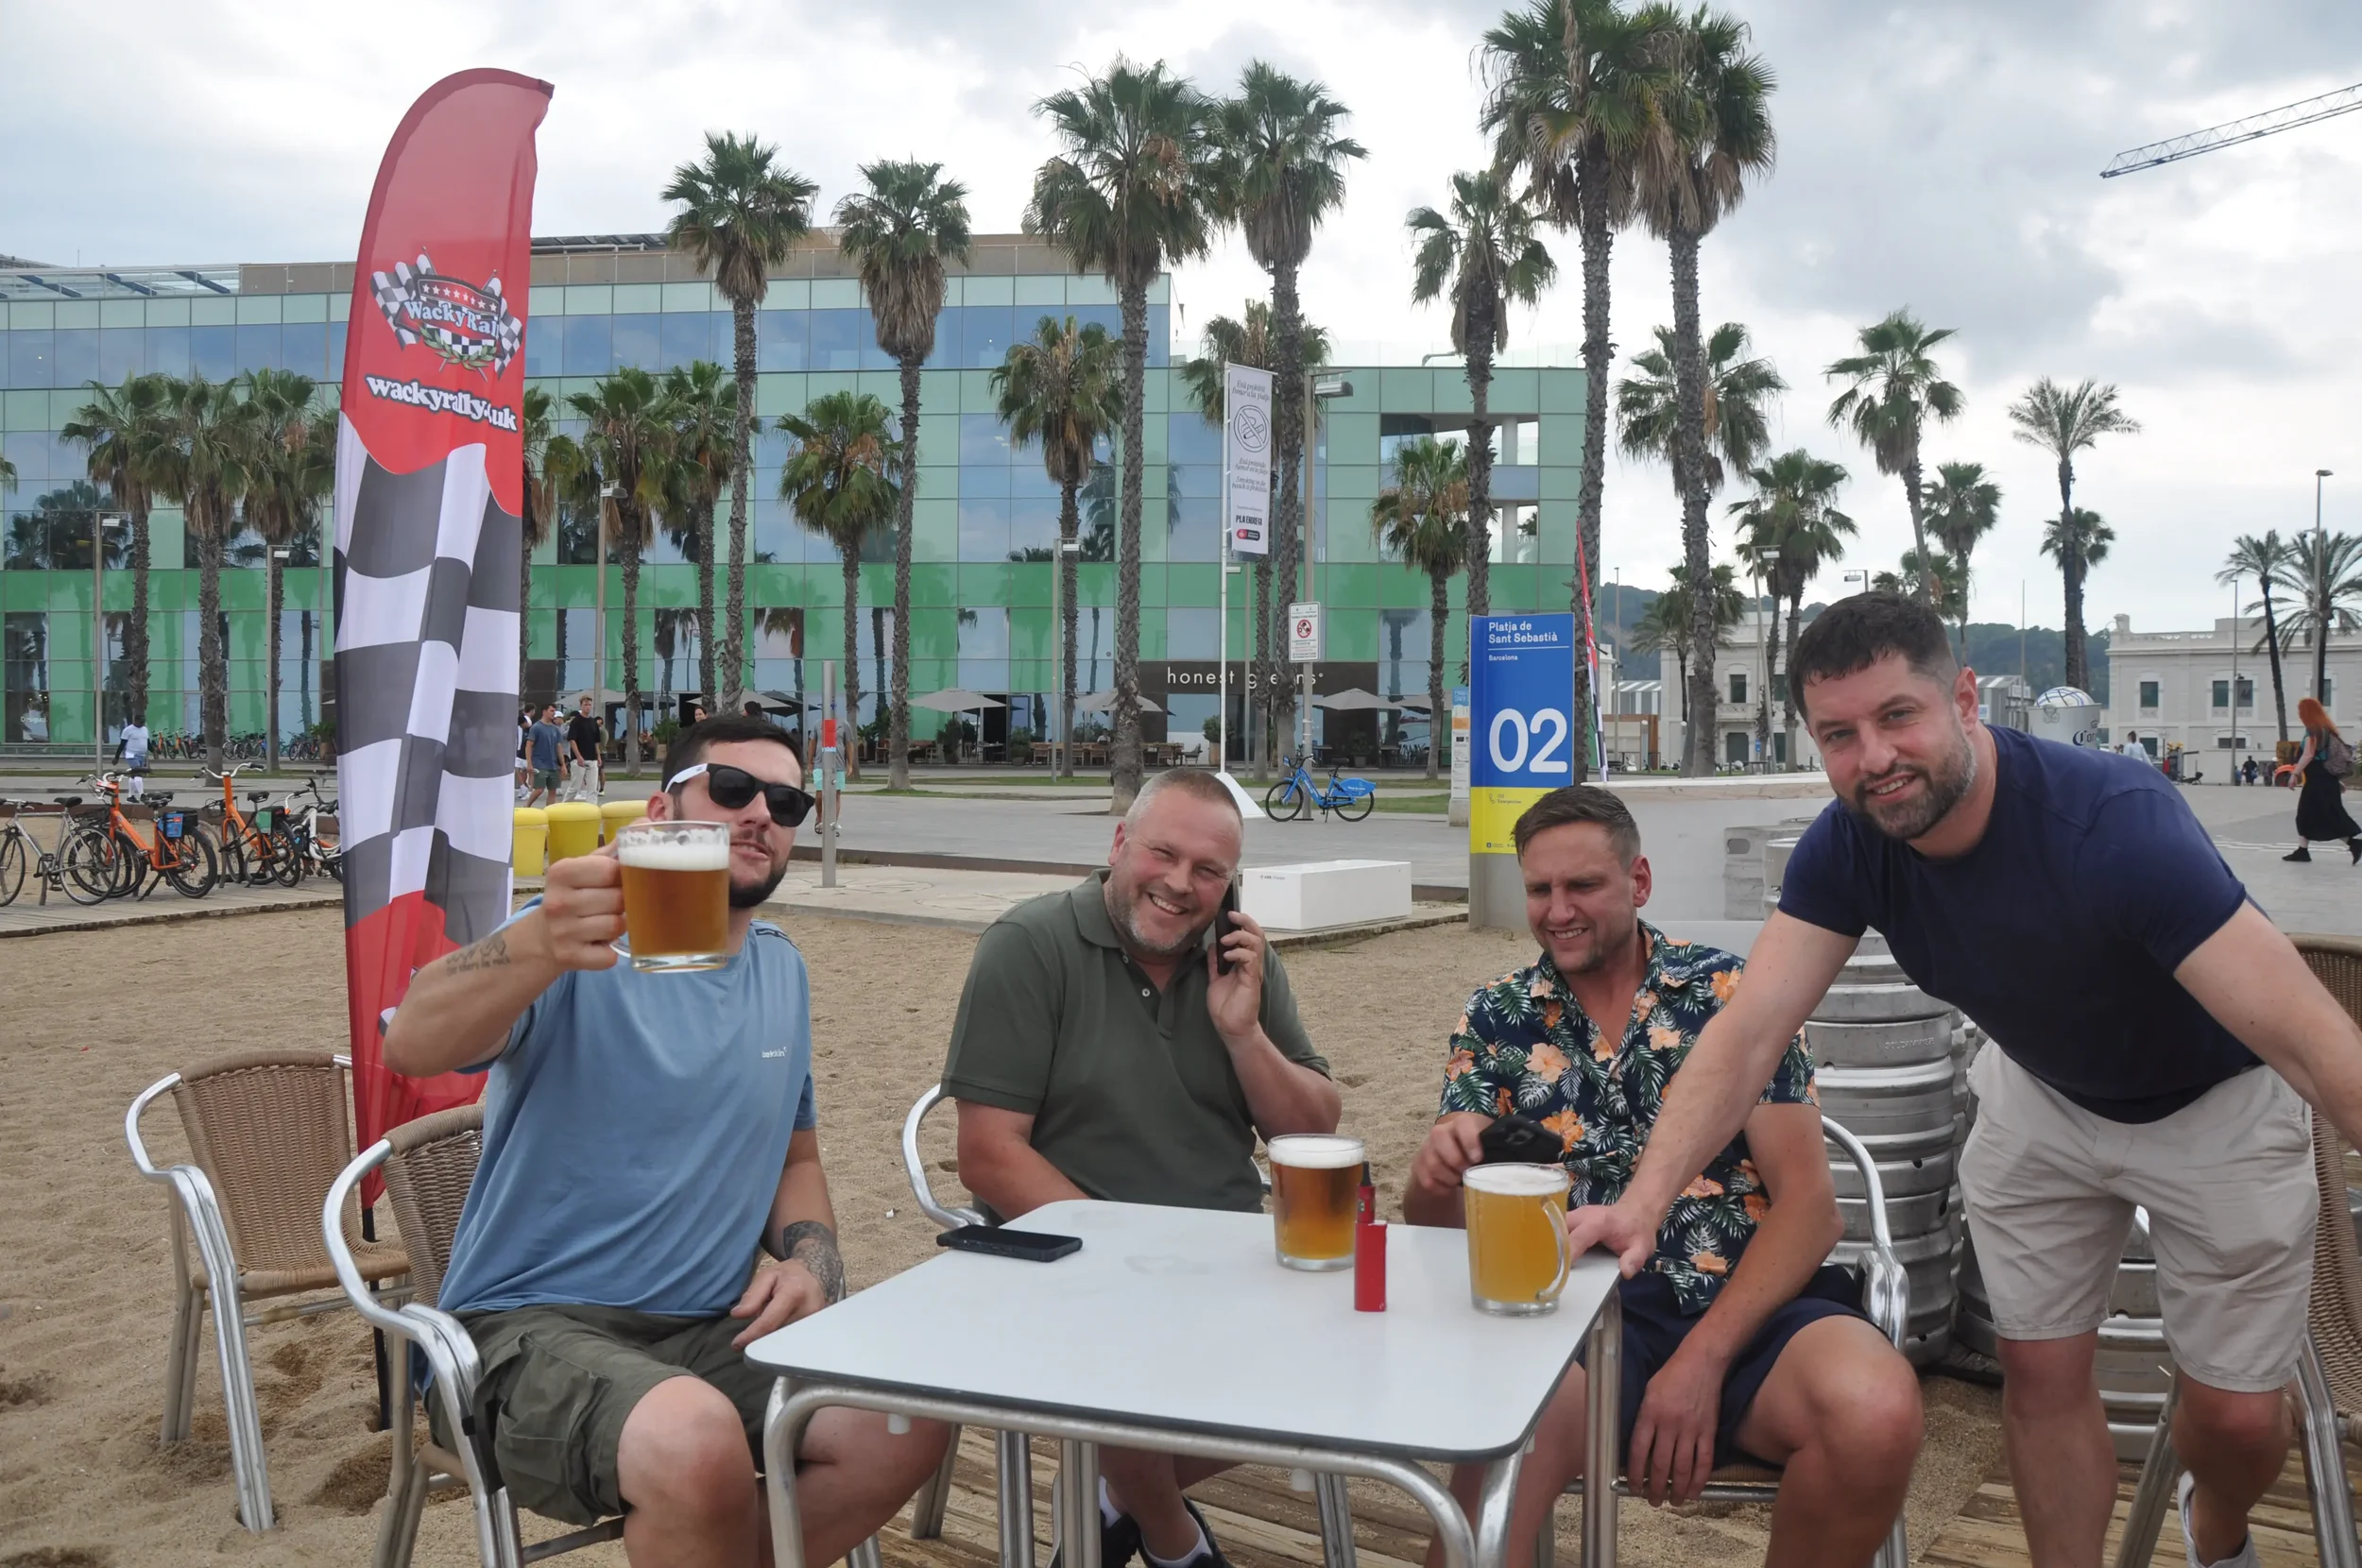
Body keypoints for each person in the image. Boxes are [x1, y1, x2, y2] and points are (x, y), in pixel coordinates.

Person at [1566, 592, 2362, 1568]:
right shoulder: (1851, 843)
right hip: (2041, 1091)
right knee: (2037, 1371)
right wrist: (1641, 1205)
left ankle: (2216, 1525)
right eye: (1837, 734)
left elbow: (2318, 1043)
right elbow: (1746, 1036)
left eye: (1898, 716)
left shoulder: (2114, 824)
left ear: (1966, 699)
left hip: (2214, 1103)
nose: (1872, 759)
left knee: (2240, 1422)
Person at [384, 715, 946, 1563]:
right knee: (695, 1439)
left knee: (909, 1414)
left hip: (709, 1331)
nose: (761, 812)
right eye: (730, 789)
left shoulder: (781, 970)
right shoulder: (570, 943)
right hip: (522, 1332)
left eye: (787, 801)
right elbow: (414, 1044)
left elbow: (794, 1159)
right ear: (661, 812)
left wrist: (812, 1261)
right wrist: (532, 938)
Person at [1405, 786, 1920, 1568]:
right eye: (1539, 888)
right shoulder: (1496, 1016)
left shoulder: (1730, 994)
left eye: (1583, 886)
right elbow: (1439, 1237)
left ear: (1639, 882)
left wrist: (1703, 1358)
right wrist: (1437, 1174)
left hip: (1747, 1305)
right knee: (1512, 1433)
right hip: (1569, 1318)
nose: (1557, 909)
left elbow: (1813, 1211)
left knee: (1876, 1410)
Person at [941, 768, 1341, 1568]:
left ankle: (1112, 1497)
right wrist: (1128, 1253)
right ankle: (1175, 1540)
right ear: (1119, 843)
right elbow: (987, 1153)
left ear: (1232, 883)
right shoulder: (1030, 945)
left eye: (1209, 871)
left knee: (1348, 1376)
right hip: (1066, 1259)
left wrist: (1242, 1034)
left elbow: (1314, 1132)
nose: (1180, 885)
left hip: (1227, 1259)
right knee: (1124, 1372)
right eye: (1163, 853)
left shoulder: (1240, 958)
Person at [2282, 695, 2360, 863]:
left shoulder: (2314, 729)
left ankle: (2353, 843)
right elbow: (2327, 758)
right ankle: (2303, 851)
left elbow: (2309, 754)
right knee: (2320, 814)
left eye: (2300, 711)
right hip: (2324, 779)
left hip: (2318, 780)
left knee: (2313, 814)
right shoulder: (2325, 729)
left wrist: (2295, 773)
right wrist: (2335, 780)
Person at [524, 704, 565, 808]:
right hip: (540, 763)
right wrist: (529, 763)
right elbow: (529, 745)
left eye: (554, 711)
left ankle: (549, 812)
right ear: (544, 712)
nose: (553, 714)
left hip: (553, 764)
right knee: (539, 789)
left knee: (553, 791)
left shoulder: (555, 729)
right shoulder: (536, 727)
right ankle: (527, 806)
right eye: (551, 711)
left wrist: (563, 764)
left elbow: (559, 747)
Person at [567, 695, 604, 804]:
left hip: (592, 758)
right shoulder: (576, 721)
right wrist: (578, 756)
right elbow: (572, 740)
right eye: (585, 705)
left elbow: (596, 741)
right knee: (575, 786)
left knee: (592, 787)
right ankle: (564, 806)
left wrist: (598, 756)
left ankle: (592, 810)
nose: (588, 707)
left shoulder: (593, 722)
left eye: (589, 705)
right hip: (579, 758)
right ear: (581, 705)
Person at [113, 711, 150, 799]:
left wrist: (155, 751)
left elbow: (148, 742)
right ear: (135, 721)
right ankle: (142, 794)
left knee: (134, 775)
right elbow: (122, 744)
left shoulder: (144, 729)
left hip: (141, 755)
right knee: (138, 773)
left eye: (143, 722)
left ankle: (131, 796)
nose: (142, 724)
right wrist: (116, 757)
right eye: (141, 722)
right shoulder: (128, 730)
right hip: (131, 755)